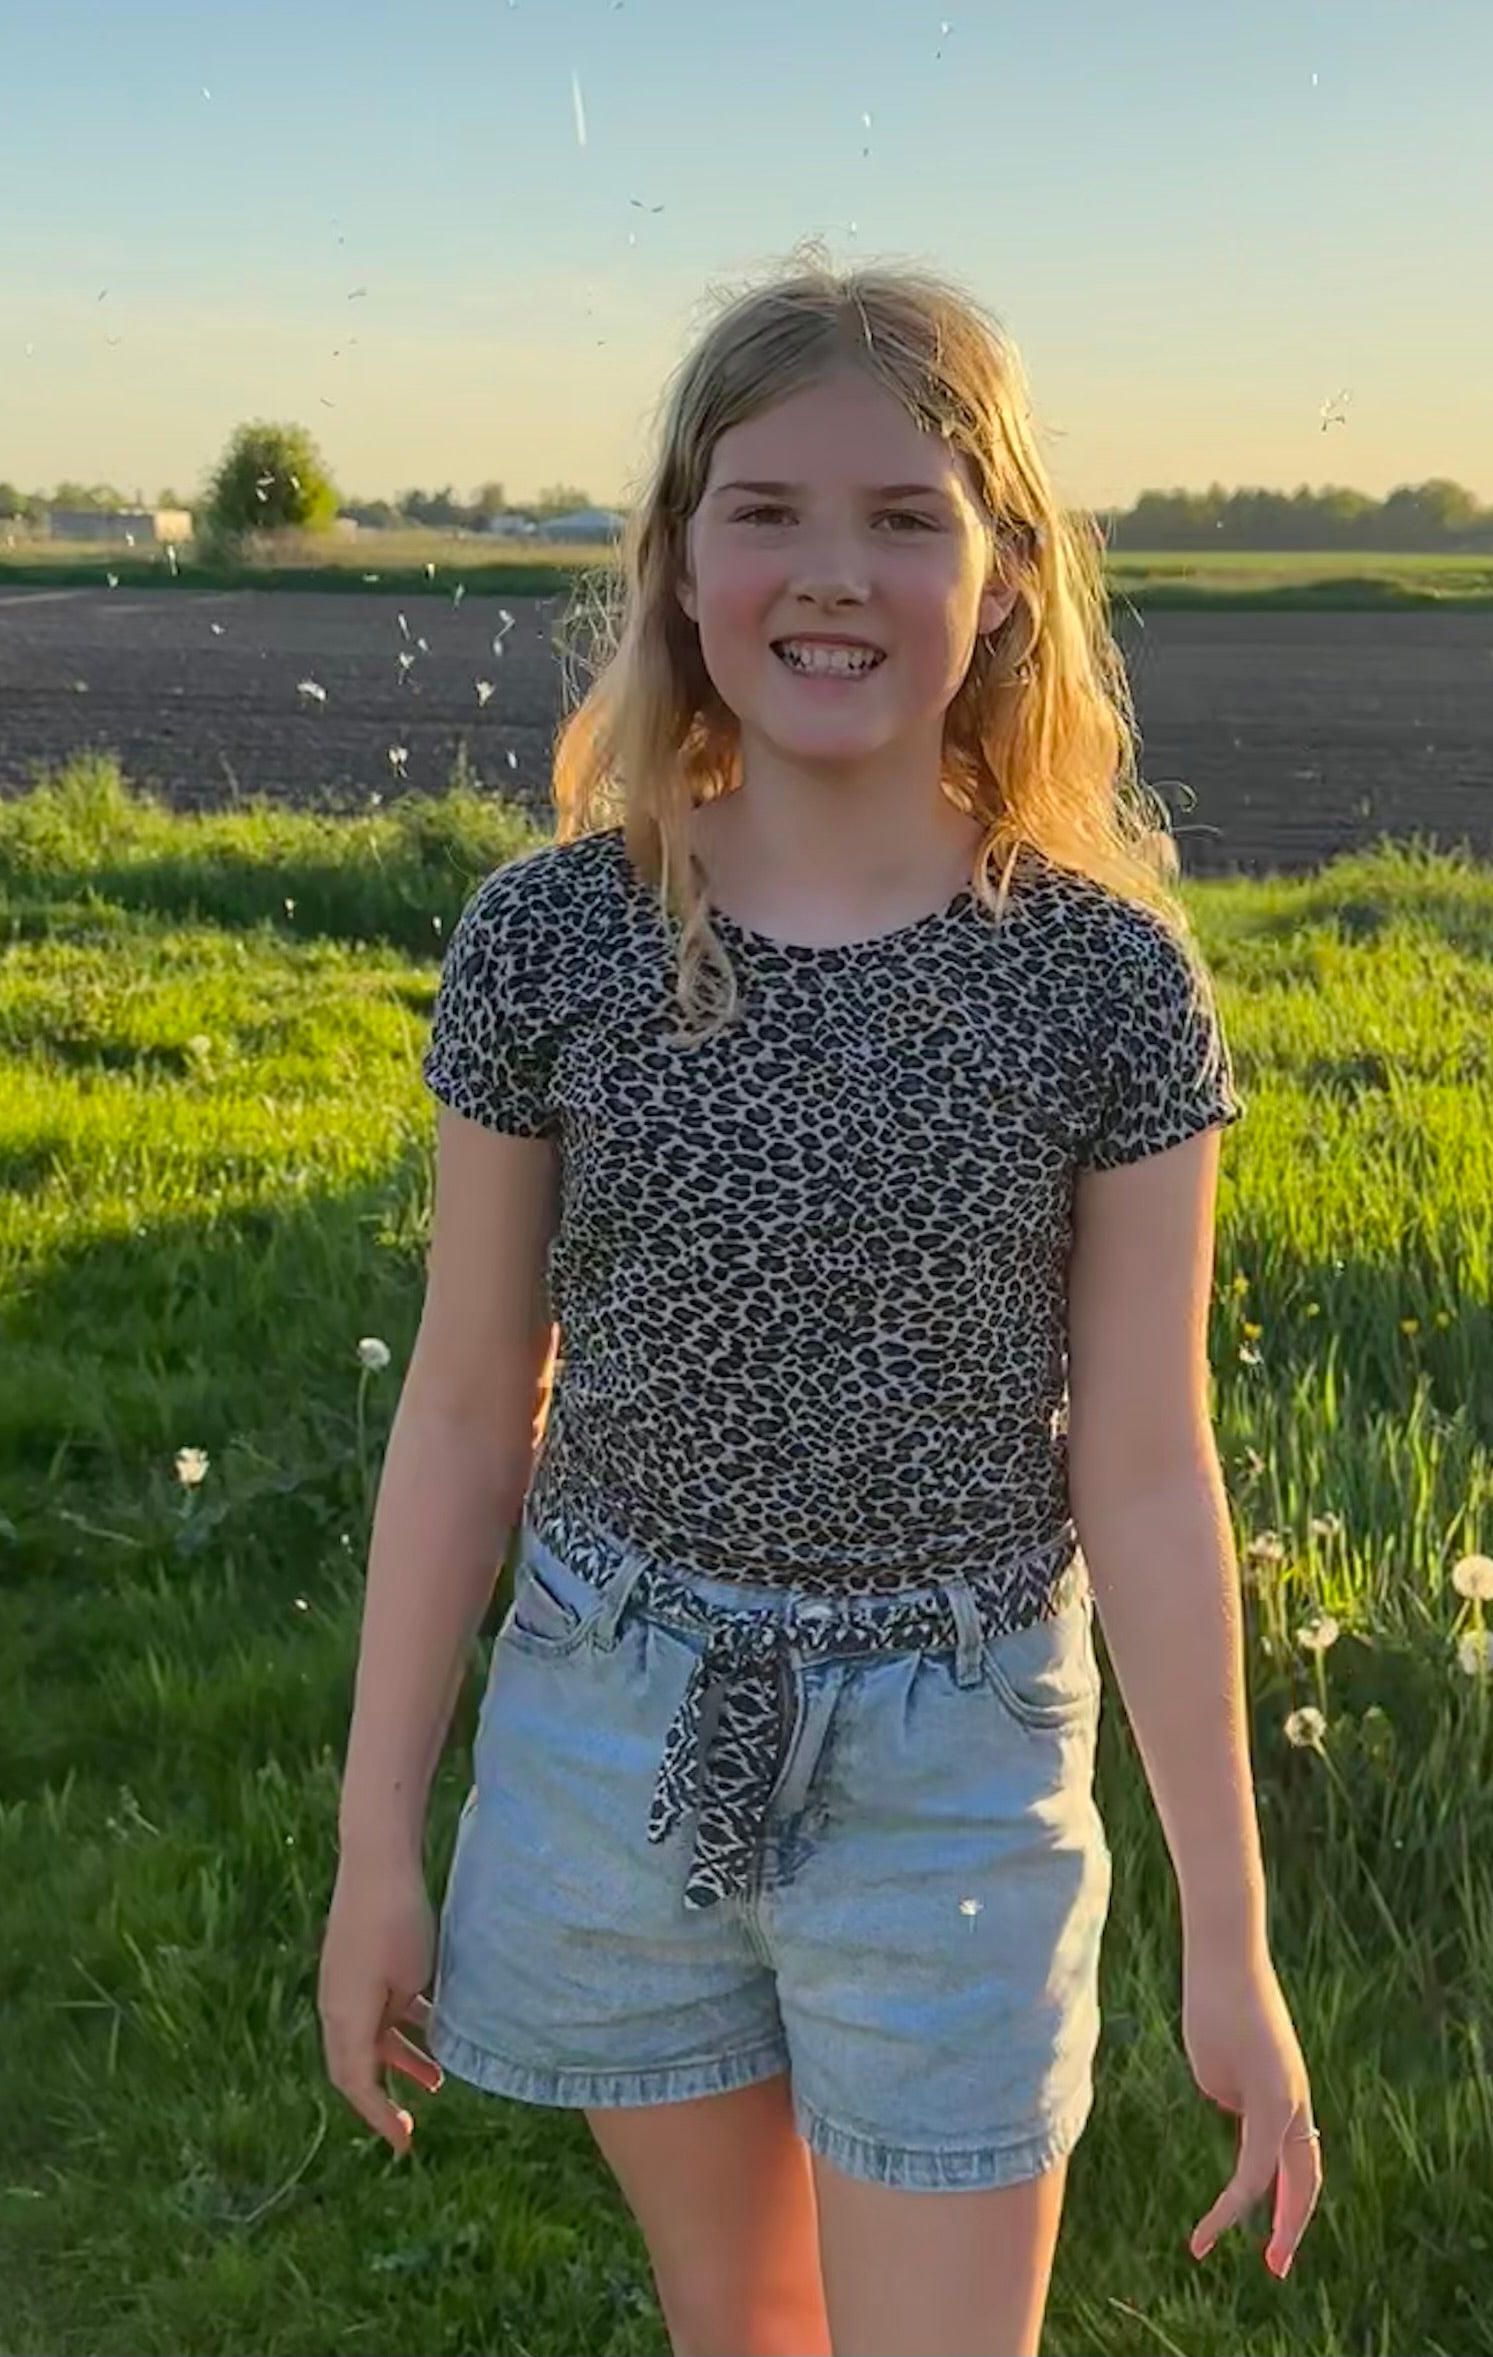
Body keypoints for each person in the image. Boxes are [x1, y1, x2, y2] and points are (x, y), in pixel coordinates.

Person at [319, 250, 1320, 2357]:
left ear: (1008, 576)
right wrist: (370, 1841)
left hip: (953, 1769)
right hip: (613, 1729)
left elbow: (1141, 1467)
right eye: (764, 510)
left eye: (901, 515)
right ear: (680, 564)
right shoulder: (549, 946)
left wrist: (1225, 1941)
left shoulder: (1102, 987)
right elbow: (465, 1397)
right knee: (742, 2324)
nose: (828, 571)